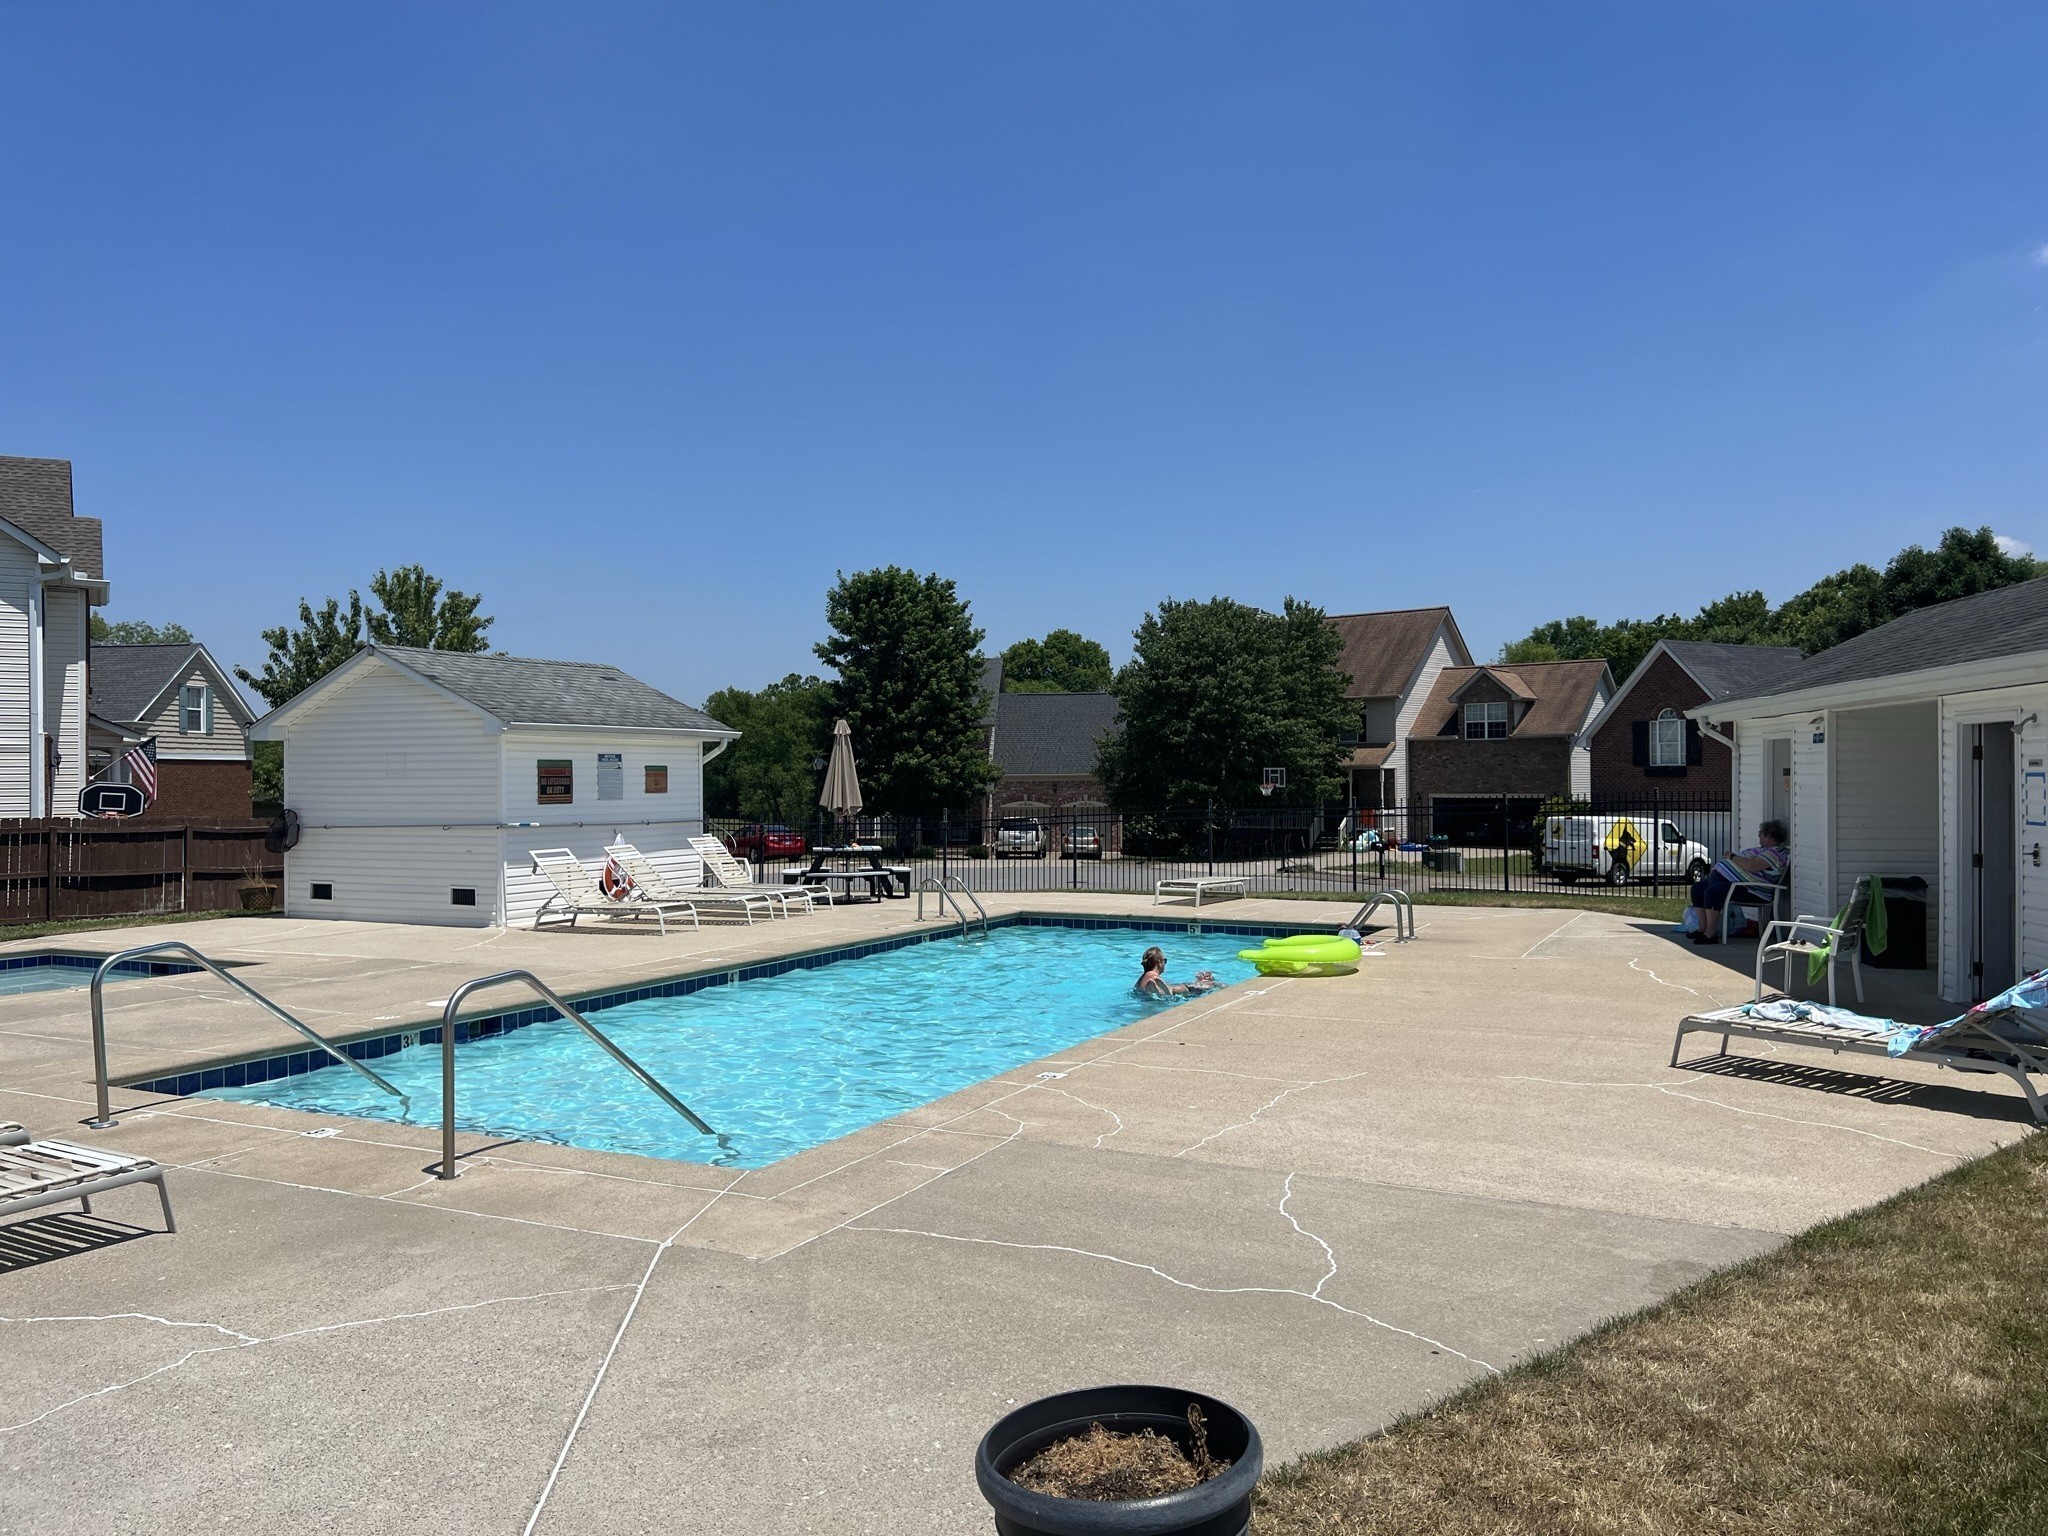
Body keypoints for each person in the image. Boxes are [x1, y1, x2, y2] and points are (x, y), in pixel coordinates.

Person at [1688, 820, 1789, 943]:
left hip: (1754, 891)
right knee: (1698, 888)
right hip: (1740, 884)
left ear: (1770, 836)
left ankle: (1710, 934)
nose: (1758, 836)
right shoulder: (1764, 850)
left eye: (1761, 833)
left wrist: (1732, 857)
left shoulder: (1775, 854)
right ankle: (1702, 928)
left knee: (1713, 891)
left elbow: (1752, 865)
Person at [1136, 945, 1217, 997]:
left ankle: (1161, 992)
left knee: (1184, 985)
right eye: (1165, 961)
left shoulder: (1142, 978)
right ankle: (1166, 992)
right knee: (1215, 985)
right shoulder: (1153, 977)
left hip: (1144, 995)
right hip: (1166, 991)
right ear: (1160, 963)